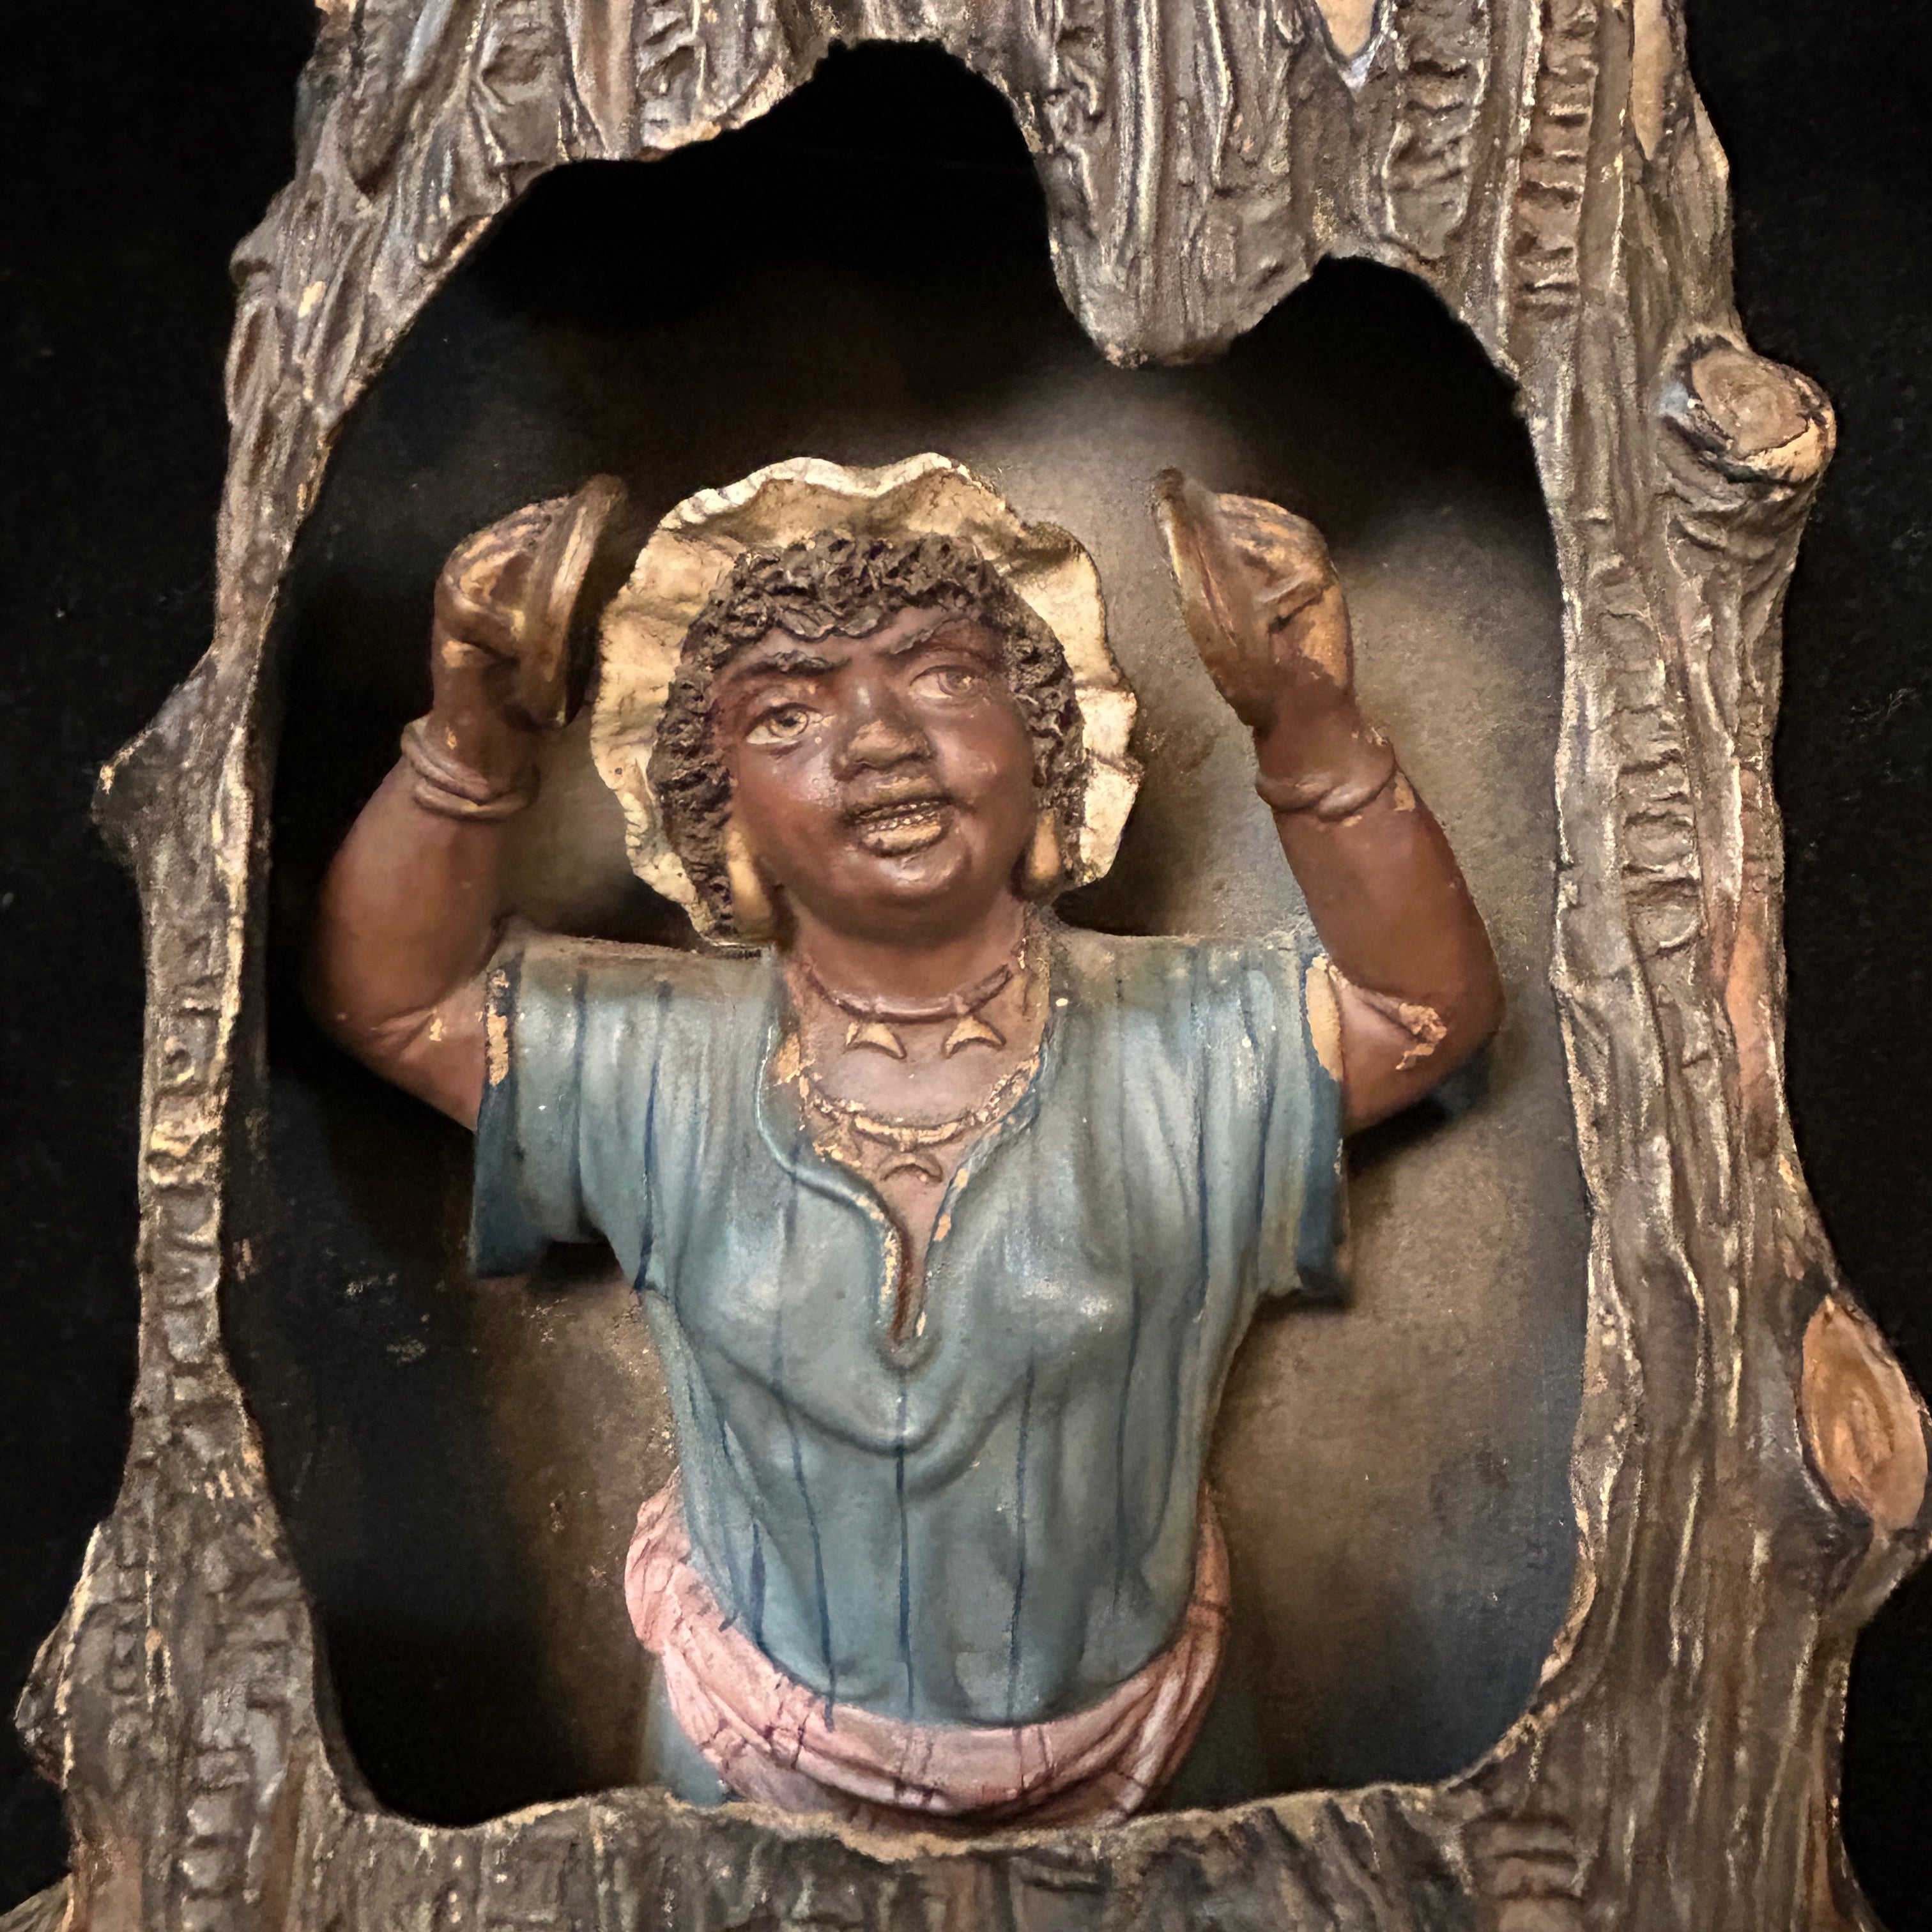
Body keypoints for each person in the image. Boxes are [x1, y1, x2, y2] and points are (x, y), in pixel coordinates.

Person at [307, 454, 1501, 1830]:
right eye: (788, 713)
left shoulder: (1187, 1046)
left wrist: (1307, 724)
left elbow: (1423, 1010)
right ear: (717, 807)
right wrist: (475, 736)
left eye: (942, 677)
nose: (878, 737)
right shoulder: (651, 1059)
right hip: (744, 1780)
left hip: (1148, 1789)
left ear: (1044, 744)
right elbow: (392, 1001)